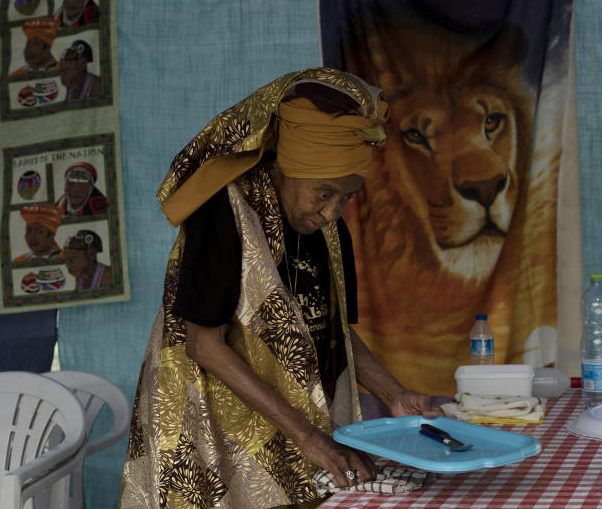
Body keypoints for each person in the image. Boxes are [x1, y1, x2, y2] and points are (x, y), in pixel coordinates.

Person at [119, 68, 442, 508]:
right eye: (324, 193)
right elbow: (204, 345)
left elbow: (335, 333)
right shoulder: (224, 212)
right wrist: (308, 438)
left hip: (293, 420)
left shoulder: (329, 232)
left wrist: (394, 395)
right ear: (290, 167)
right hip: (209, 422)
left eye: (347, 196)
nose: (332, 211)